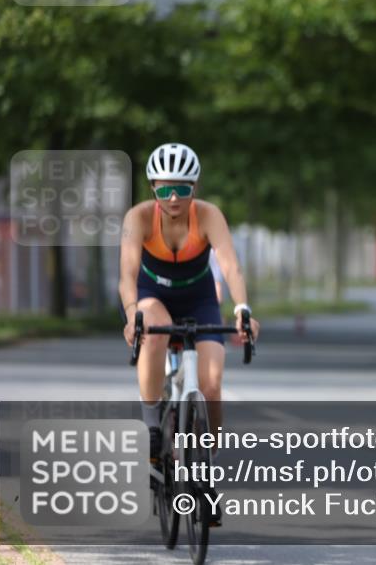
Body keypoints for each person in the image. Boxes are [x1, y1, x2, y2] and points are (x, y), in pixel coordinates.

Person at [119, 143, 260, 524]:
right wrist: (132, 315)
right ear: (153, 188)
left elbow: (230, 266)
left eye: (182, 188)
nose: (174, 197)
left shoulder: (209, 215)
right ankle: (153, 426)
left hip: (199, 299)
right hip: (151, 295)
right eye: (165, 189)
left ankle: (206, 469)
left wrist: (242, 309)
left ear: (194, 188)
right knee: (155, 330)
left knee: (211, 384)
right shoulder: (138, 217)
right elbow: (127, 275)